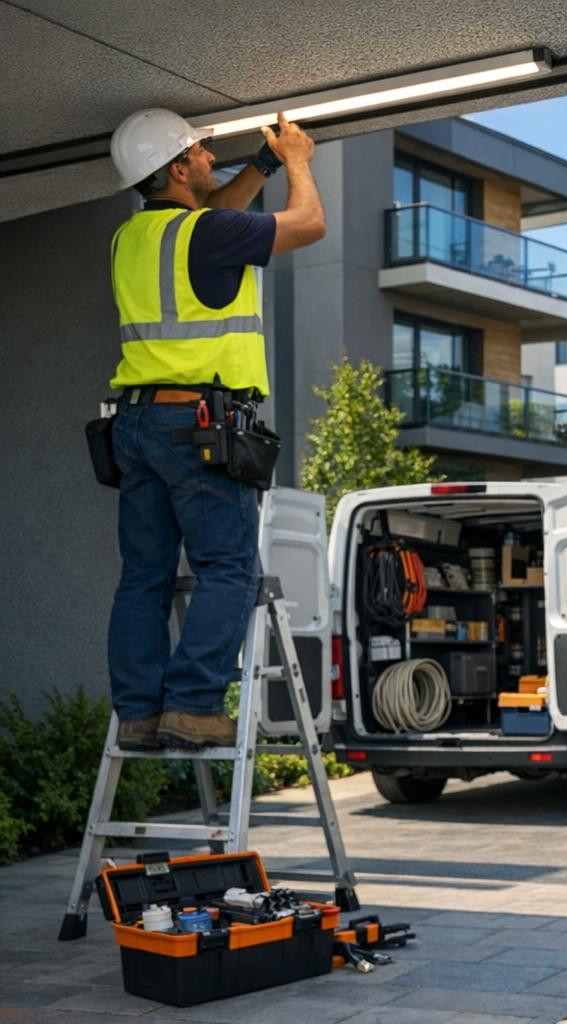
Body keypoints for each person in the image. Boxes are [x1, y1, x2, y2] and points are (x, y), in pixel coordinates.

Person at [105, 108, 326, 749]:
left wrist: (259, 164)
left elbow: (216, 216)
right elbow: (309, 224)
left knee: (142, 577)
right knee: (229, 571)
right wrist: (296, 163)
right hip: (198, 424)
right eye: (202, 152)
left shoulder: (133, 237)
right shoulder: (207, 232)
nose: (210, 158)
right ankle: (194, 705)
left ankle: (140, 713)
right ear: (177, 167)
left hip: (137, 423)